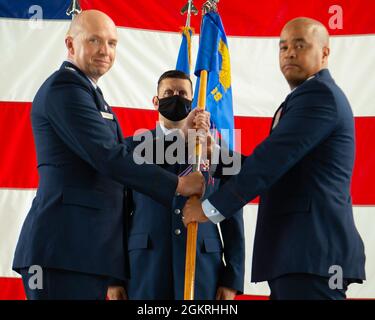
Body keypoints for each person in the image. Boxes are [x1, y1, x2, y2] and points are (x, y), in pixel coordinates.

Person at [12, 10, 204, 300]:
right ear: (70, 44)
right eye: (94, 41)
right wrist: (176, 185)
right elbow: (107, 157)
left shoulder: (87, 91)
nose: (105, 51)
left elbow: (119, 149)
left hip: (80, 252)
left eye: (112, 43)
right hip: (62, 251)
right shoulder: (66, 89)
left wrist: (179, 137)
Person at [182, 17, 366, 300]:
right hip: (301, 256)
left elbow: (269, 163)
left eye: (300, 45)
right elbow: (280, 169)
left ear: (325, 52)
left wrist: (209, 209)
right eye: (283, 47)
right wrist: (214, 156)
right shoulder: (305, 97)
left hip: (313, 255)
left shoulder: (319, 96)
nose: (289, 52)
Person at [107, 70, 245, 300]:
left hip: (203, 268)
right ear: (155, 100)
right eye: (168, 92)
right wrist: (113, 277)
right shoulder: (131, 148)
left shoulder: (215, 150)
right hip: (145, 266)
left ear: (193, 102)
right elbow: (116, 215)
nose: (176, 97)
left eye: (182, 93)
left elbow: (232, 212)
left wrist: (232, 277)